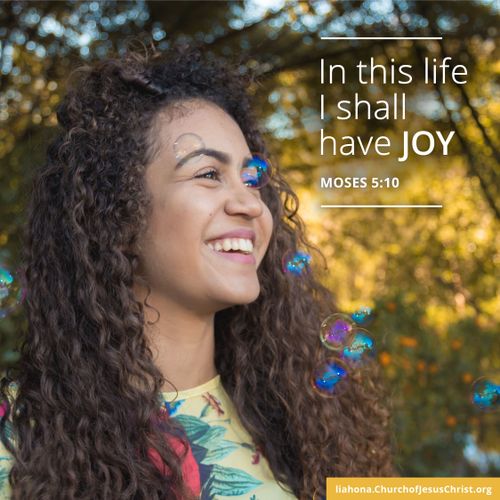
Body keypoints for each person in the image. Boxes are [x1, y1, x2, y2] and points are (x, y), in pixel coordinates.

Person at [0, 44, 397, 500]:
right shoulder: (18, 440)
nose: (251, 203)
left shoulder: (305, 418)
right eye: (208, 173)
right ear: (118, 218)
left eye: (251, 178)